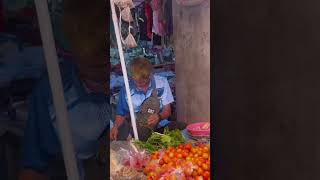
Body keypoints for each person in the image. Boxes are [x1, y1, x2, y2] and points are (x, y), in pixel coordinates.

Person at [18, 1, 109, 180]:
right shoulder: (53, 93)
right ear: (74, 55)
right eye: (95, 69)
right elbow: (33, 169)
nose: (105, 75)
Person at [110, 57, 177, 141]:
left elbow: (167, 111)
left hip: (161, 126)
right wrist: (115, 127)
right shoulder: (126, 90)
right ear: (132, 78)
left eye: (144, 81)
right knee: (142, 133)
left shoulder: (161, 83)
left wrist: (159, 117)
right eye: (137, 81)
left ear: (150, 75)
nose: (141, 84)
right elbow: (121, 114)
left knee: (181, 127)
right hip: (139, 131)